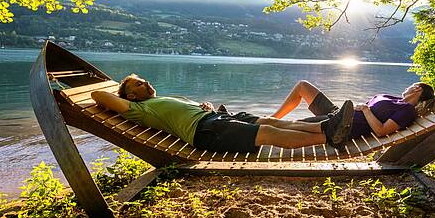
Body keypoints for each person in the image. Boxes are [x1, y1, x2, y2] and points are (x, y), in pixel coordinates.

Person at [91, 74, 355, 154]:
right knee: (270, 133)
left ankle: (327, 129)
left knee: (272, 121)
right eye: (138, 84)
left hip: (214, 118)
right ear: (131, 96)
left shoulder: (159, 99)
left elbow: (186, 109)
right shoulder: (138, 108)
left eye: (144, 79)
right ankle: (328, 138)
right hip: (206, 132)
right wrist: (123, 92)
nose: (145, 82)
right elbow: (98, 96)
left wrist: (203, 105)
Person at [270, 80, 435, 138]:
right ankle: (273, 117)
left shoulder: (407, 110)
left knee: (294, 125)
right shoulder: (394, 99)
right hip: (340, 113)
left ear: (417, 89)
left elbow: (381, 131)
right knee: (303, 86)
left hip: (345, 125)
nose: (408, 87)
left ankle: (261, 126)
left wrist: (366, 110)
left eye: (412, 85)